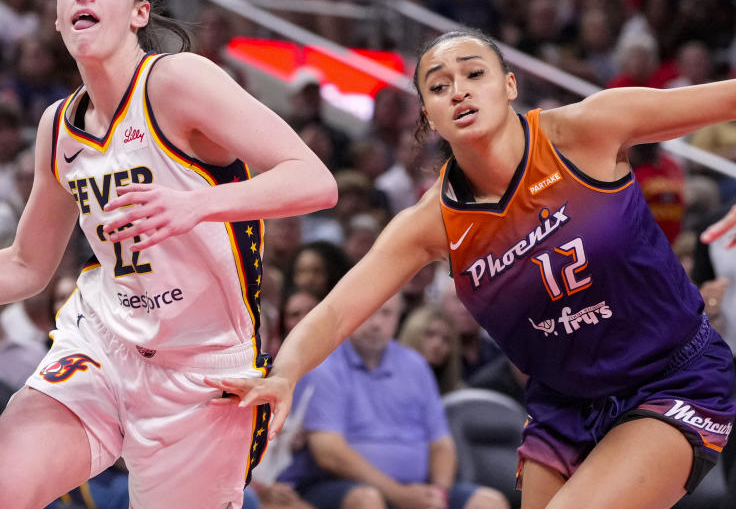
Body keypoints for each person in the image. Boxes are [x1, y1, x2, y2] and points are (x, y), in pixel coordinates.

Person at [215, 28, 736, 509]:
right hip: (566, 405)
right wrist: (283, 376)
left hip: (674, 376)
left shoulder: (586, 130)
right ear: (427, 114)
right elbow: (333, 314)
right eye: (439, 87)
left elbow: (726, 98)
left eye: (474, 73)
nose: (459, 90)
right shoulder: (430, 222)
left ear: (509, 85)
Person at [0, 0, 337, 509]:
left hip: (205, 371)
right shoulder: (58, 127)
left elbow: (314, 181)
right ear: (58, 17)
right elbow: (27, 263)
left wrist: (197, 205)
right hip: (103, 342)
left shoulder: (178, 80)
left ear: (139, 13)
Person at [279, 295, 508, 509]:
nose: (376, 323)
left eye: (386, 313)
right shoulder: (323, 364)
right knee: (367, 500)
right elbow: (329, 453)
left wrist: (439, 494)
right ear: (349, 312)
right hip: (340, 485)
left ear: (398, 318)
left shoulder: (415, 364)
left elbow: (441, 444)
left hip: (417, 487)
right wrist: (399, 494)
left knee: (489, 501)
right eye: (369, 312)